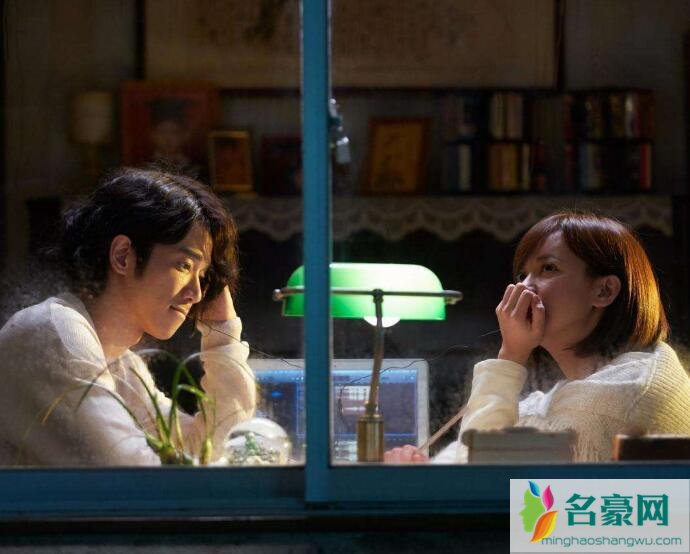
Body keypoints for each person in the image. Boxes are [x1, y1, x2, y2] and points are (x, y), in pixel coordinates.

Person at [386, 211, 690, 464]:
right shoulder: (563, 395)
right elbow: (466, 460)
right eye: (523, 275)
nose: (523, 288)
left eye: (548, 268)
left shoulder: (623, 393)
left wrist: (510, 355)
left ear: (604, 291)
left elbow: (480, 479)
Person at [0, 168, 255, 466]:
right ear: (123, 256)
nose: (197, 294)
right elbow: (134, 475)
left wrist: (222, 332)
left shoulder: (120, 361)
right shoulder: (56, 332)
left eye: (202, 276)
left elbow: (207, 450)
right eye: (185, 265)